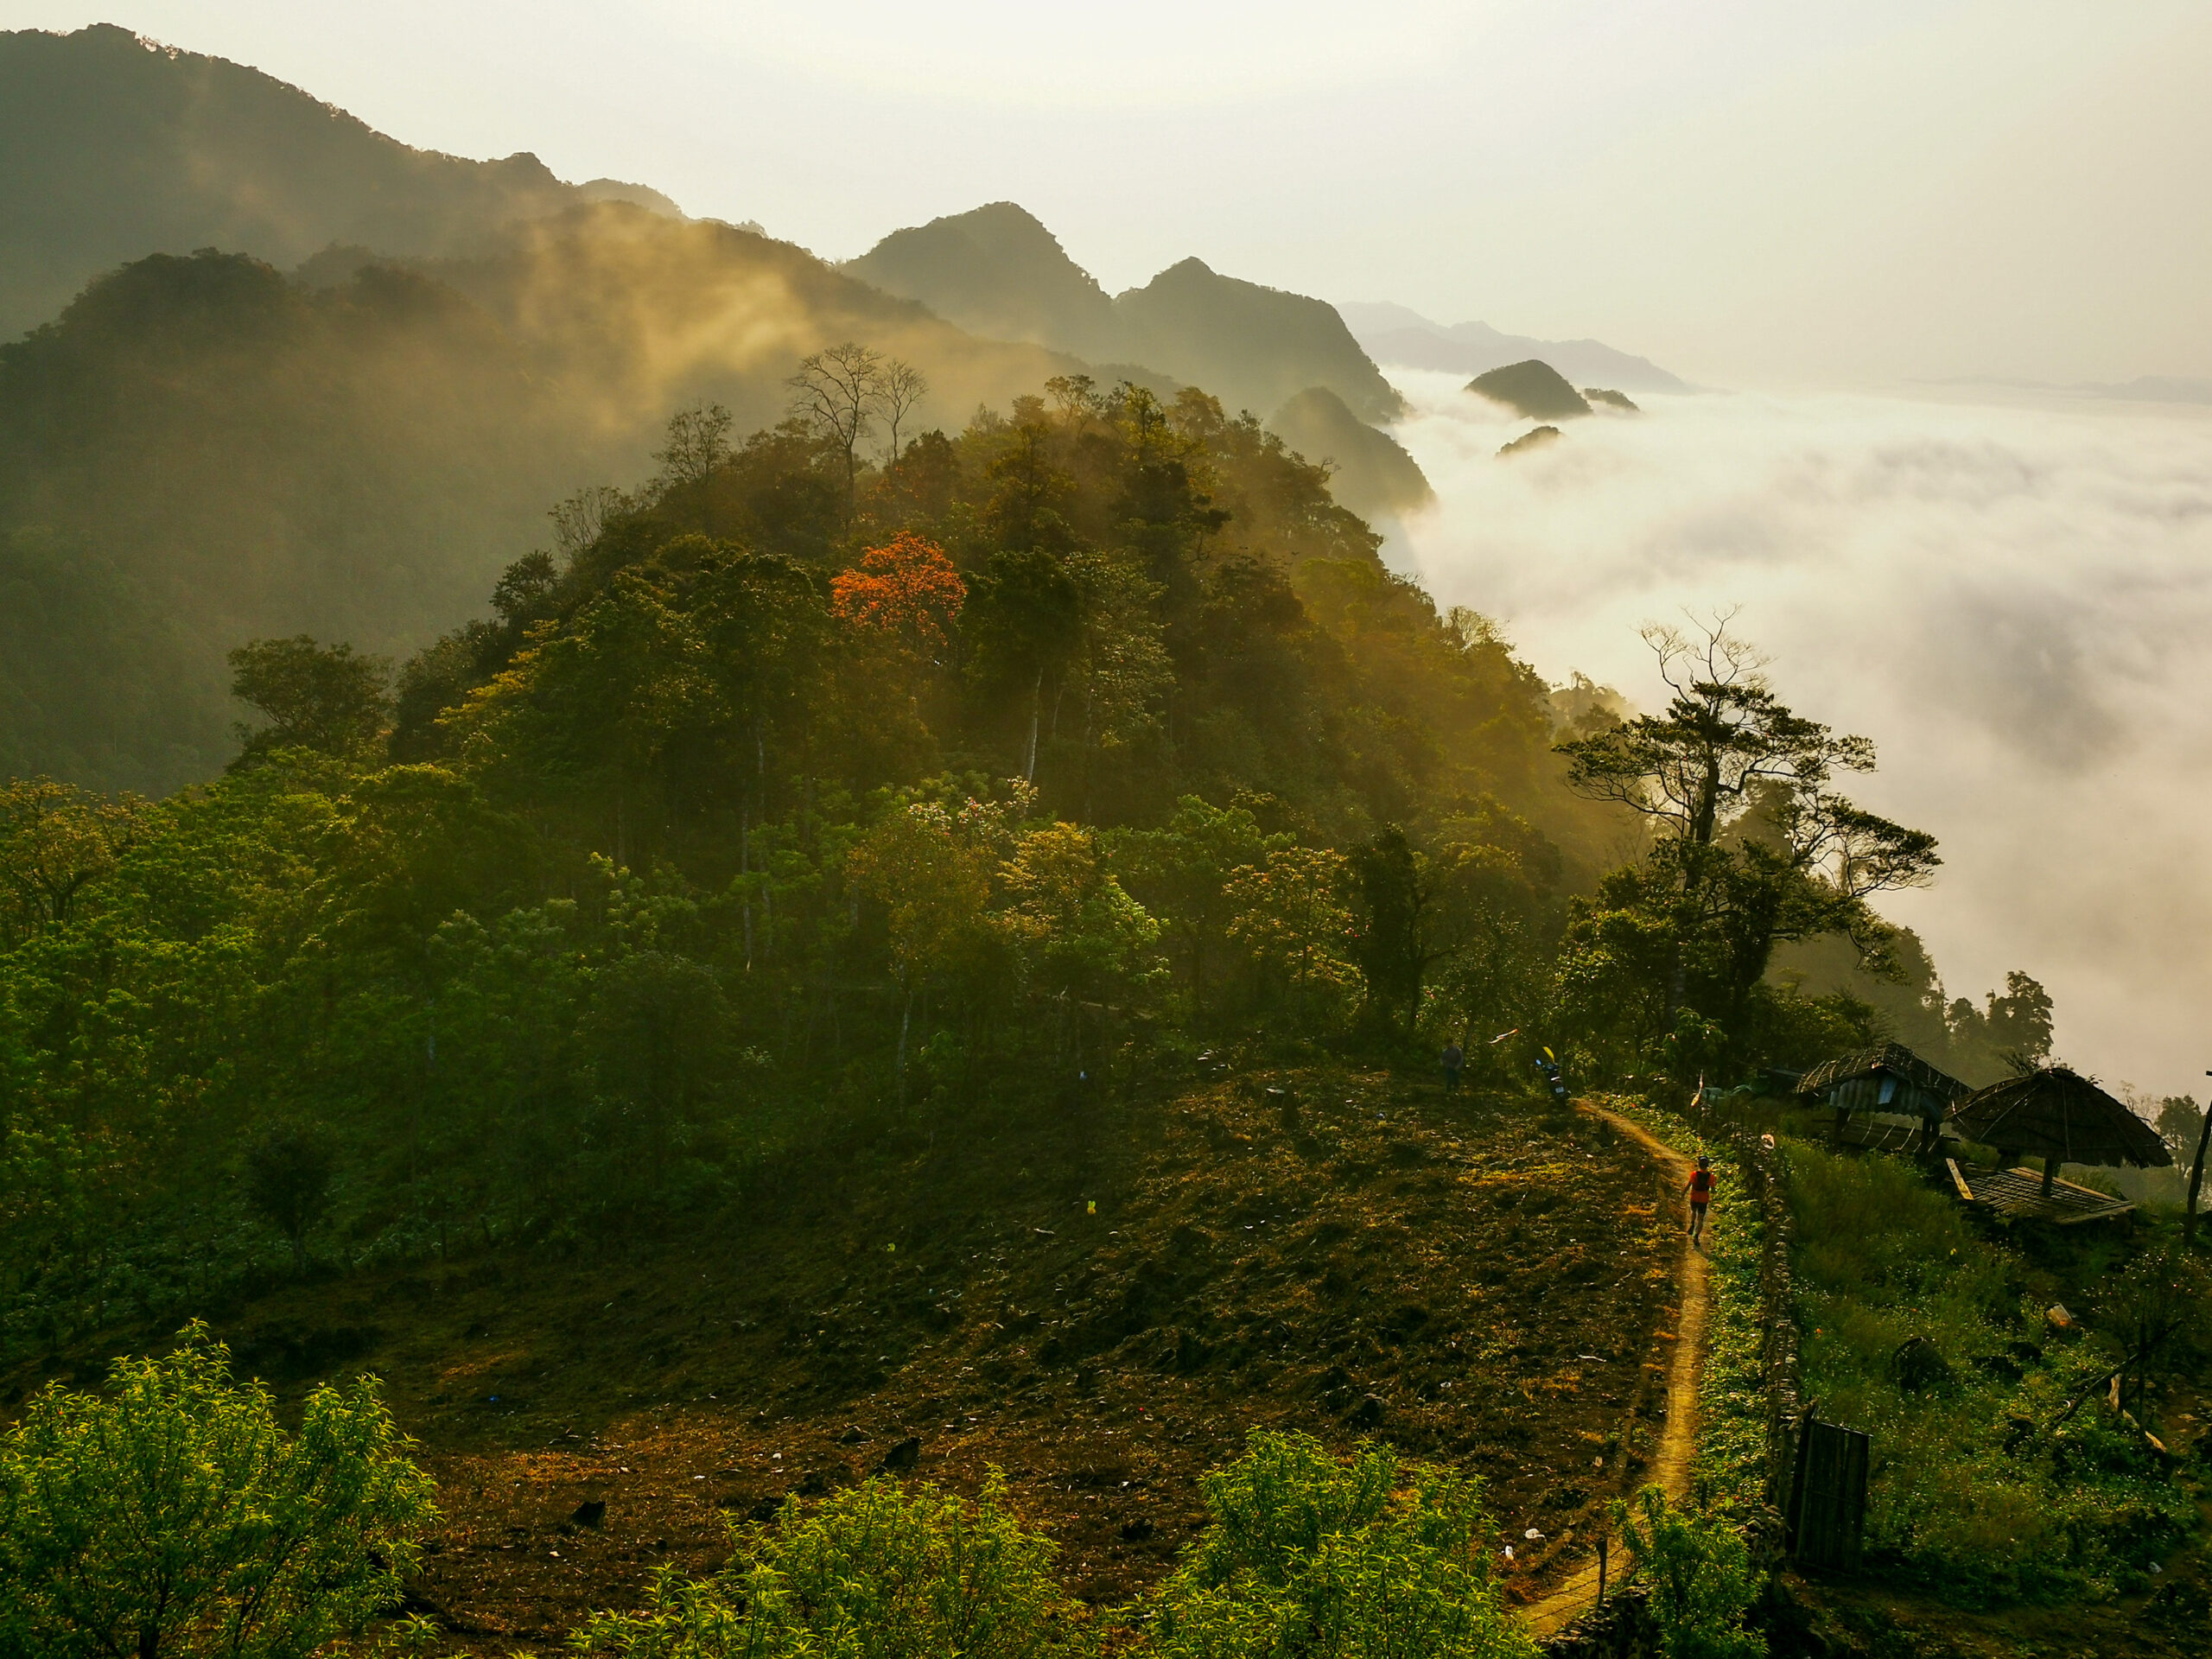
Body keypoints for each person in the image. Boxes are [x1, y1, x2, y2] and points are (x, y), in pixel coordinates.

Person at [1684, 1154, 1717, 1245]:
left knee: (1693, 1211)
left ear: (1699, 1165)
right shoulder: (1711, 1177)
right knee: (1701, 1218)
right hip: (1704, 1199)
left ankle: (1692, 1224)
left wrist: (1683, 1193)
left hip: (1694, 1197)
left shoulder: (1694, 1174)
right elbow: (1713, 1190)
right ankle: (1696, 1236)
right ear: (1707, 1165)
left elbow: (1689, 1185)